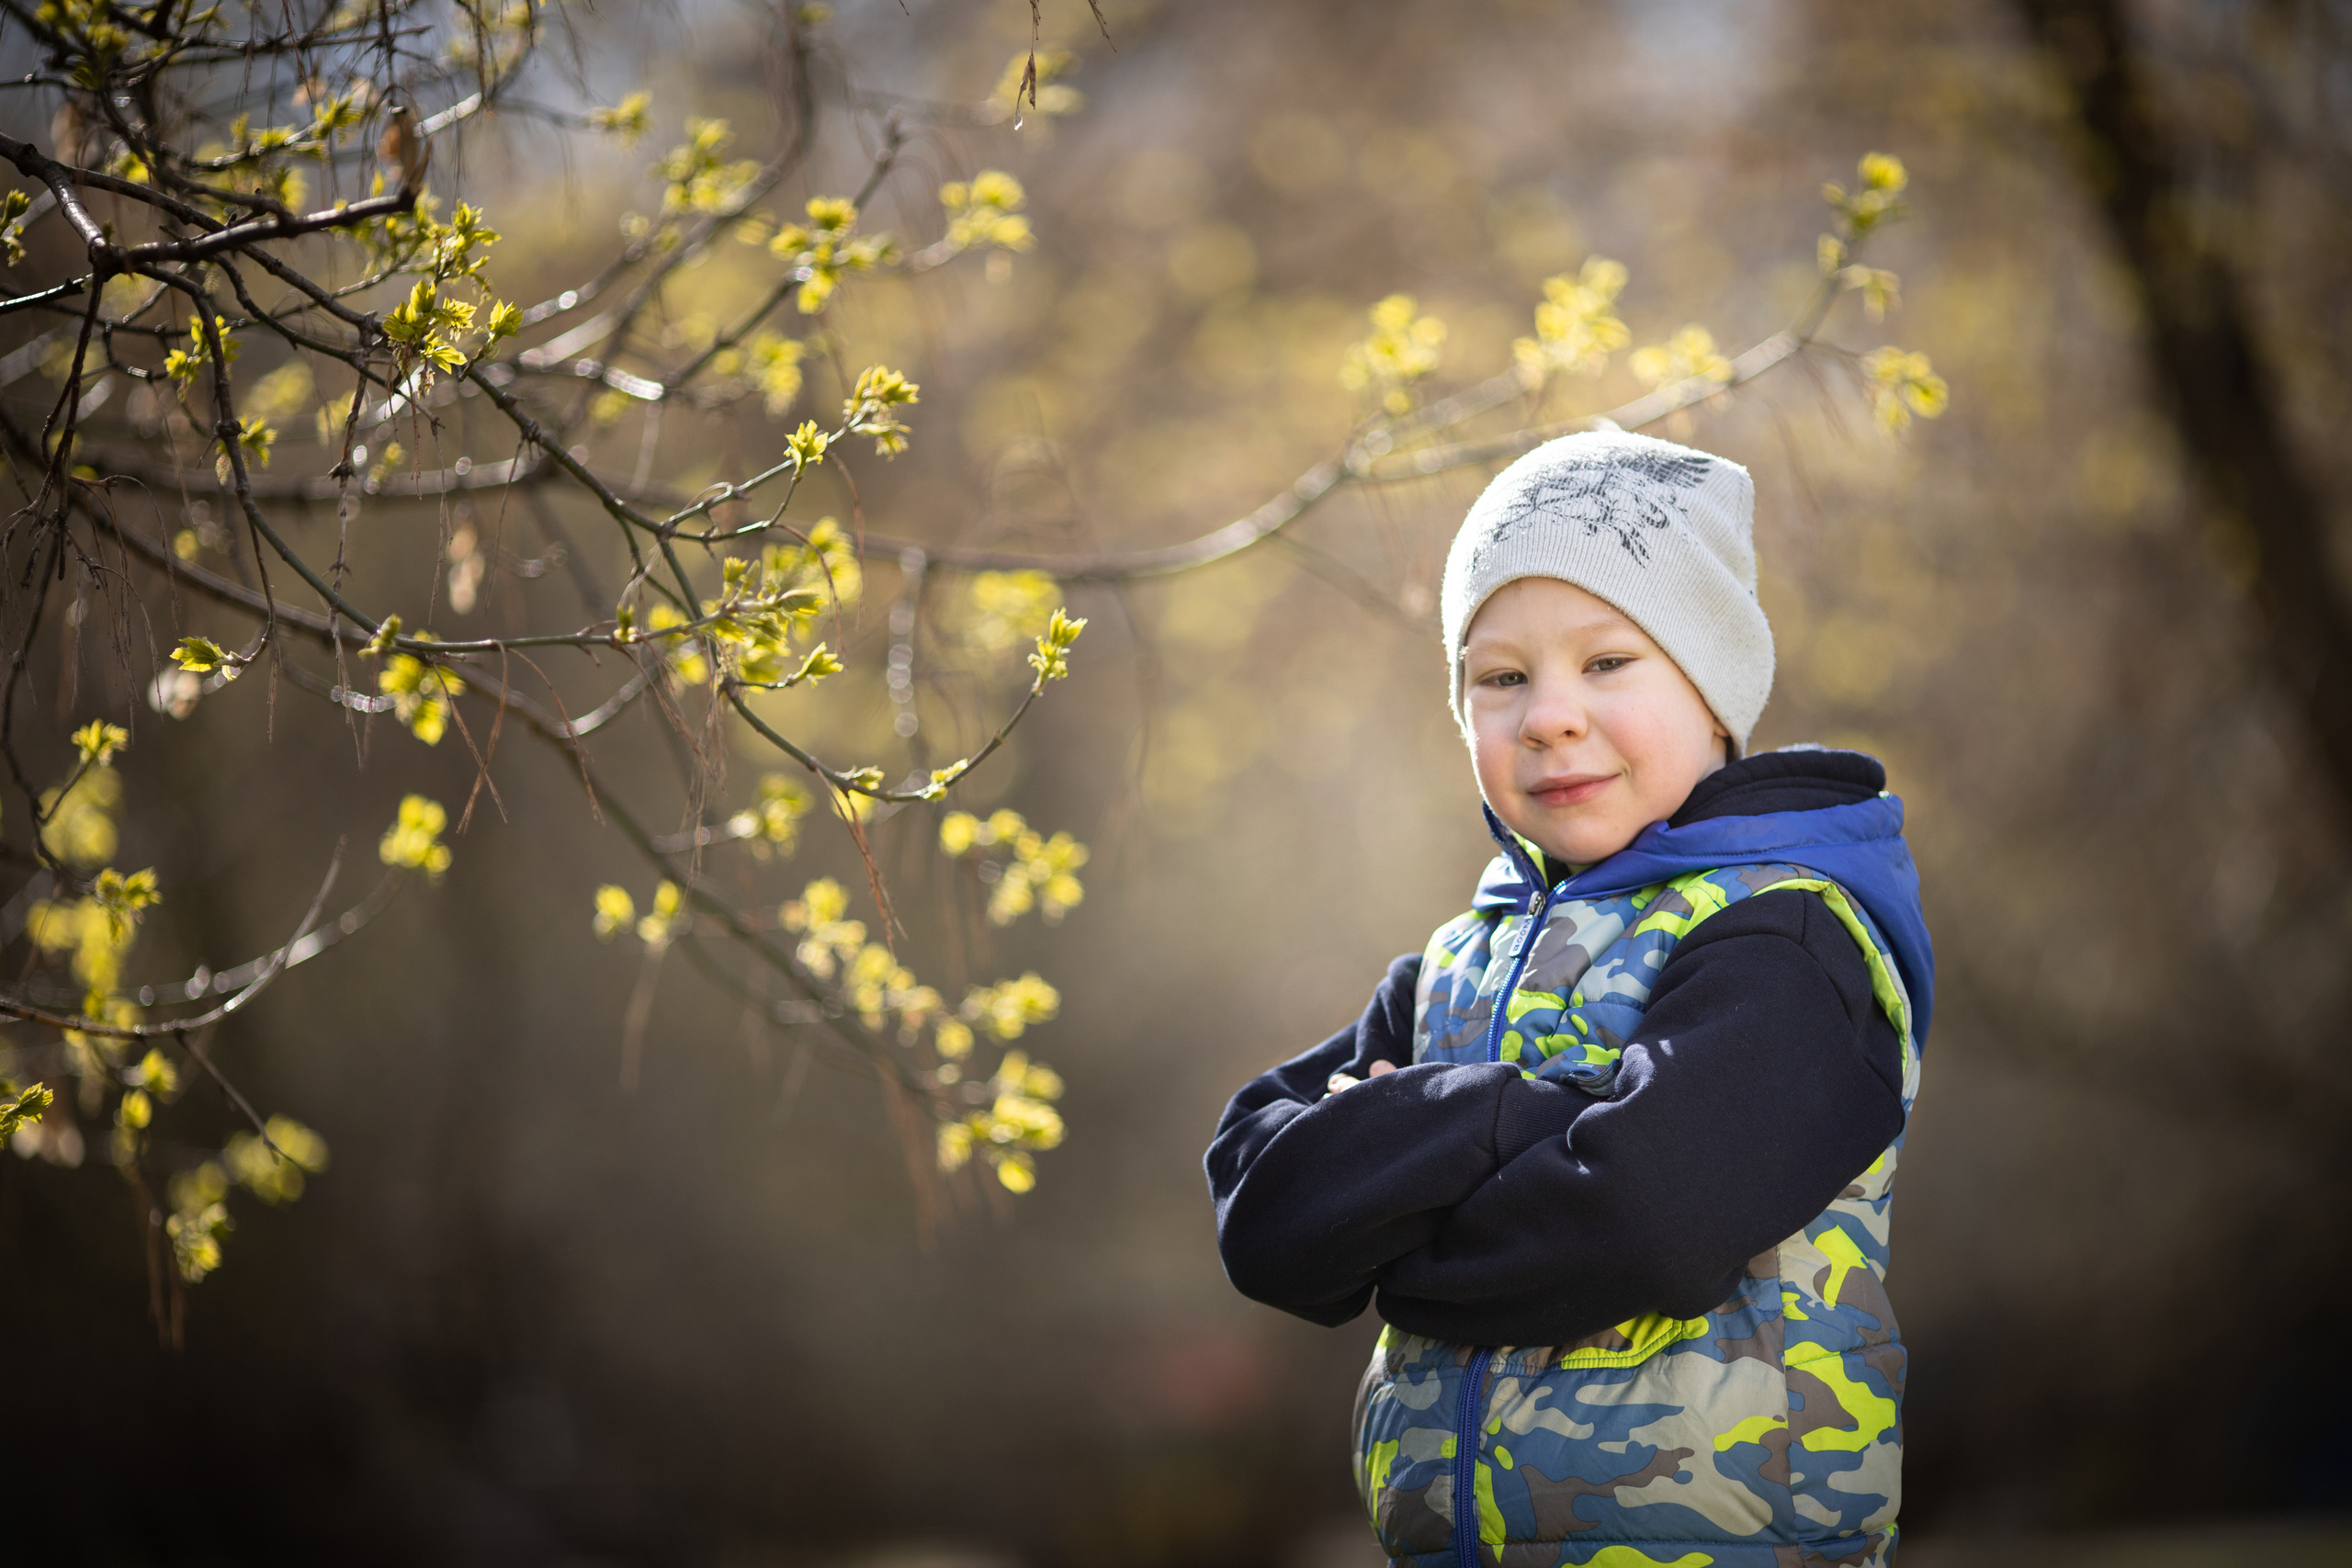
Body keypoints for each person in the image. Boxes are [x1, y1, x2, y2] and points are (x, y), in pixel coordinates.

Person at [1204, 430, 1933, 1568]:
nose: (1547, 714)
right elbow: (1264, 1217)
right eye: (1501, 678)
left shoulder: (1791, 941)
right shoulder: (1459, 964)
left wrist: (1405, 1187)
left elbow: (1643, 1217)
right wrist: (1517, 1122)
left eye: (1606, 663)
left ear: (1713, 687)